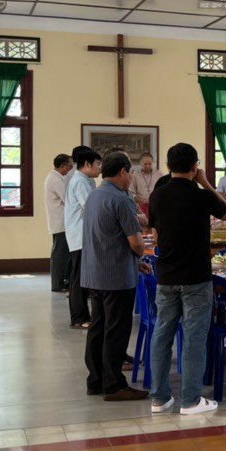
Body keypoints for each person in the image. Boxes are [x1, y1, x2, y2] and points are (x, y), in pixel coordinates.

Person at [147, 143, 226, 416]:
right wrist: (205, 182)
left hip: (166, 276)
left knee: (162, 335)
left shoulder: (157, 196)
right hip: (196, 276)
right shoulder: (201, 195)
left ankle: (159, 398)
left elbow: (156, 235)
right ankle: (191, 400)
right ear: (195, 167)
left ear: (168, 166)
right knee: (194, 338)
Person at [80, 152, 149, 400]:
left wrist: (135, 263)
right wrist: (137, 257)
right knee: (116, 331)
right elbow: (137, 244)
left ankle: (95, 380)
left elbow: (106, 237)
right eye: (130, 172)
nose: (131, 177)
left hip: (95, 272)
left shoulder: (94, 195)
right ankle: (114, 385)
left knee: (98, 328)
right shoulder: (120, 200)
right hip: (116, 277)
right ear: (122, 172)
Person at [64, 146, 101, 329]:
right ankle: (78, 317)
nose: (100, 168)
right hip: (80, 235)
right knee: (79, 277)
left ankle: (83, 315)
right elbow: (90, 207)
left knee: (82, 276)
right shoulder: (80, 181)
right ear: (87, 164)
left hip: (83, 234)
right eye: (97, 164)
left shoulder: (87, 180)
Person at [44, 153, 72, 293]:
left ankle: (61, 281)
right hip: (60, 222)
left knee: (61, 253)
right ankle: (58, 283)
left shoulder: (56, 177)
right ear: (62, 166)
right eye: (69, 166)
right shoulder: (56, 180)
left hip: (60, 221)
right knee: (60, 255)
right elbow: (68, 199)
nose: (71, 168)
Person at [129, 152, 159, 221]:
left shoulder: (159, 174)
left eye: (150, 164)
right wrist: (143, 200)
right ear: (140, 163)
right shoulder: (135, 176)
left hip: (156, 206)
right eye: (145, 164)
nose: (148, 166)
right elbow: (131, 193)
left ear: (153, 163)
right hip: (141, 207)